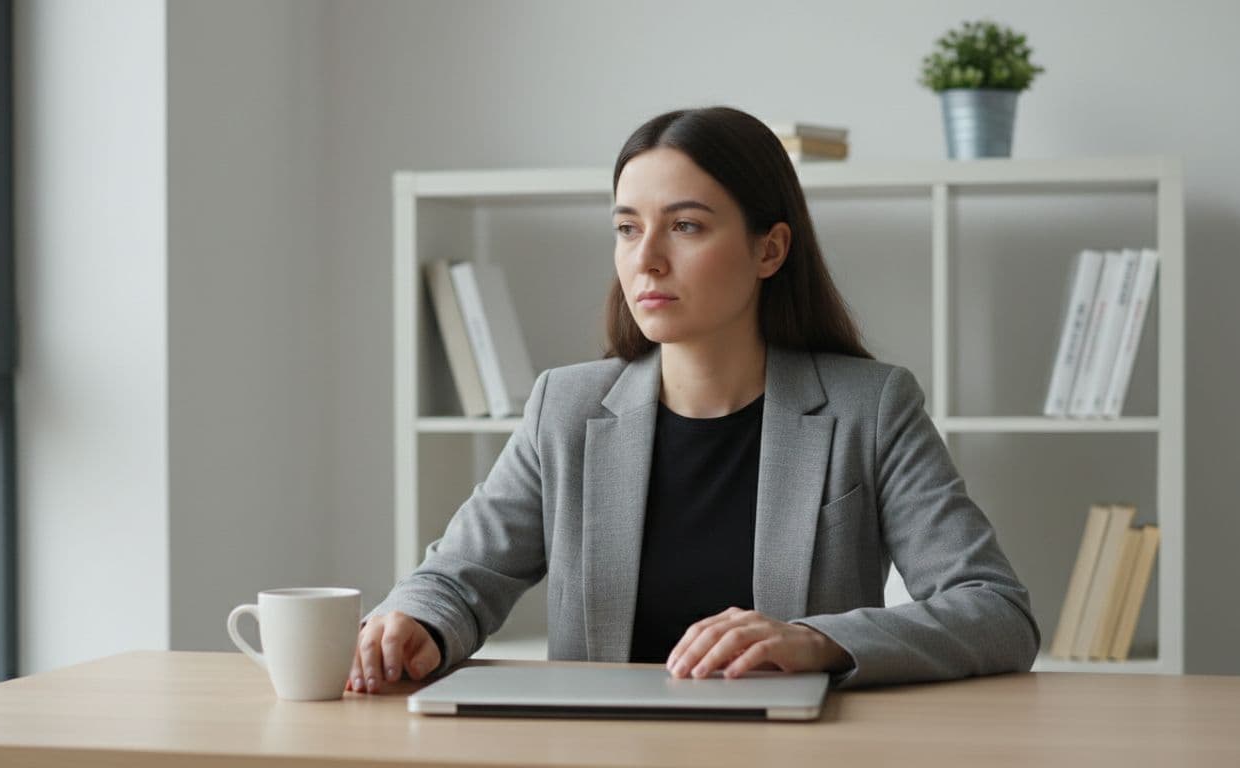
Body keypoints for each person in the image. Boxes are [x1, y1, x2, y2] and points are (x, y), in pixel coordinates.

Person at [347, 106, 1040, 695]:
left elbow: (997, 612)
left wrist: (814, 640)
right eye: (626, 228)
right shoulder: (565, 407)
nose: (645, 258)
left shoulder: (872, 407)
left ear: (769, 250)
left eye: (685, 226)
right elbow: (460, 577)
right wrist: (417, 623)